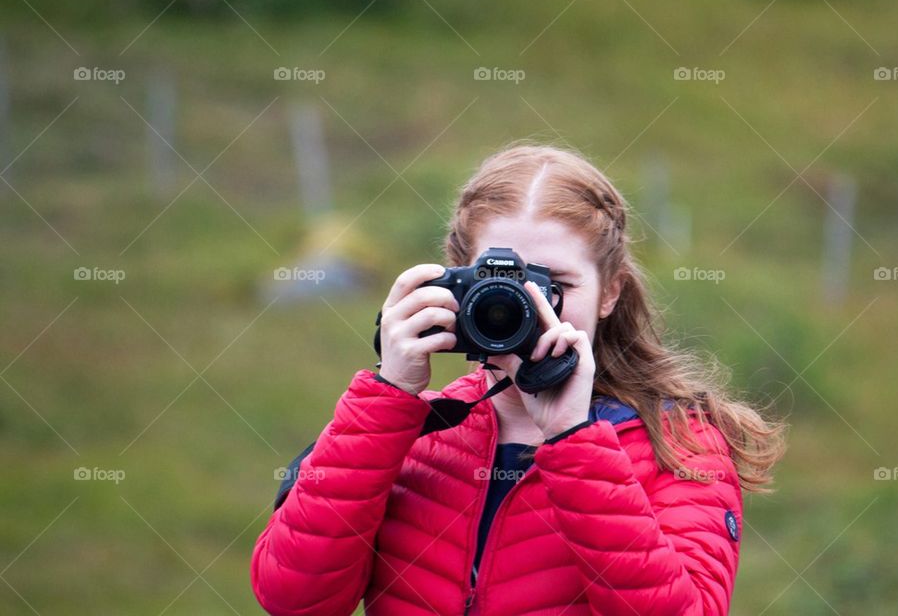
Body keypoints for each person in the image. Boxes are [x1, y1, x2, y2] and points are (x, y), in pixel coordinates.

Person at [250, 144, 786, 615]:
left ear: (610, 293)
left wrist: (575, 441)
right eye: (501, 281)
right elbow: (293, 598)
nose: (527, 307)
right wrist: (390, 395)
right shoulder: (414, 432)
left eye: (554, 284)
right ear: (454, 280)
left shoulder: (679, 447)